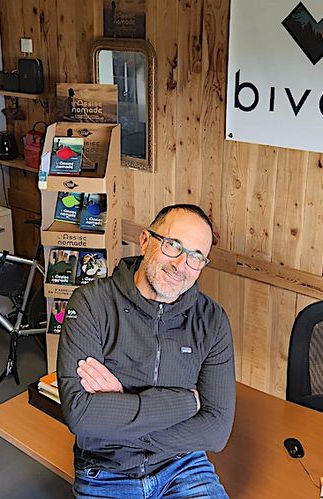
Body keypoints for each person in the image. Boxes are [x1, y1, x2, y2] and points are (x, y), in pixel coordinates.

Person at [57, 204, 236, 498]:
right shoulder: (91, 303)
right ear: (145, 240)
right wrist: (185, 404)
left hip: (184, 464)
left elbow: (215, 432)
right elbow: (81, 415)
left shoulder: (212, 320)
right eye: (173, 245)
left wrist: (120, 414)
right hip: (106, 471)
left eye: (196, 257)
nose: (181, 265)